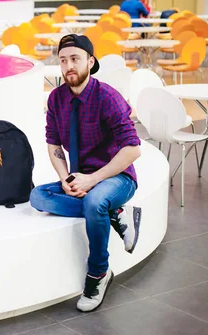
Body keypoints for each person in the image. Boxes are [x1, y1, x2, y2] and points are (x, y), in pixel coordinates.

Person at [30, 34, 142, 313]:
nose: (69, 66)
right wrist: (66, 177)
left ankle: (99, 274)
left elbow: (132, 150)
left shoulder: (107, 97)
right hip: (81, 177)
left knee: (95, 201)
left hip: (116, 176)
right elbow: (53, 143)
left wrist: (93, 180)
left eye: (75, 59)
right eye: (63, 60)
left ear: (90, 62)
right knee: (38, 196)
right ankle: (116, 214)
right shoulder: (56, 99)